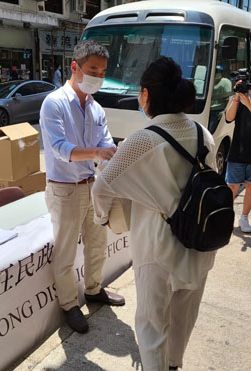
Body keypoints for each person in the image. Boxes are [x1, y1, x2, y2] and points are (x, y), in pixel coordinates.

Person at [92, 56, 217, 370]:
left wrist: (102, 217)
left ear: (146, 95)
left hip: (158, 251)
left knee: (151, 326)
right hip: (199, 244)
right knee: (184, 318)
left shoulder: (142, 141)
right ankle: (174, 365)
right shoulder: (204, 134)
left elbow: (101, 187)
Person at [40, 40, 125, 334]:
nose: (98, 77)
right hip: (64, 188)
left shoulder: (96, 108)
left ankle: (93, 290)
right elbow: (61, 148)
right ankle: (68, 305)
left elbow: (106, 142)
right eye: (92, 70)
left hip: (92, 186)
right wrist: (98, 153)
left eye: (102, 72)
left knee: (98, 244)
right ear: (75, 67)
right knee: (65, 252)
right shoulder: (54, 103)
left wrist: (113, 153)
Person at [225, 81, 251, 232]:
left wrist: (248, 103)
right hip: (238, 149)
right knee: (232, 186)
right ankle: (225, 216)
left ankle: (244, 218)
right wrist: (236, 96)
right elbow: (229, 117)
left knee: (250, 186)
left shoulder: (247, 99)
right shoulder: (241, 96)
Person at [209, 65, 232, 133]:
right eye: (215, 71)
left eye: (218, 71)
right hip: (207, 109)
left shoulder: (225, 82)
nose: (216, 73)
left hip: (218, 111)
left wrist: (225, 111)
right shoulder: (209, 80)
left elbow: (227, 98)